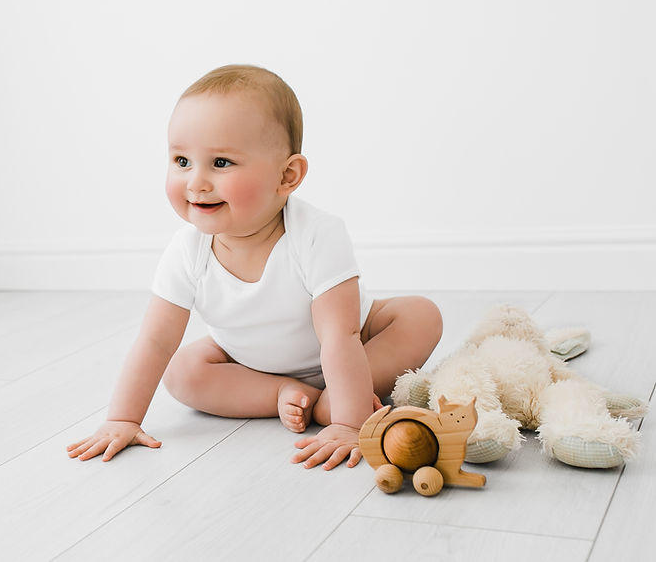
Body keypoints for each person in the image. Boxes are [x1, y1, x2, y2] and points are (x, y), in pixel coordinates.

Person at [67, 64, 442, 470]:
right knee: (182, 372)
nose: (196, 181)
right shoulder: (187, 251)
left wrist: (349, 424)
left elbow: (341, 335)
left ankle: (336, 400)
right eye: (181, 160)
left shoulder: (316, 235)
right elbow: (155, 342)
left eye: (221, 163)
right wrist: (122, 418)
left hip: (353, 348)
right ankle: (283, 393)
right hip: (248, 362)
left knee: (421, 316)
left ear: (287, 175)